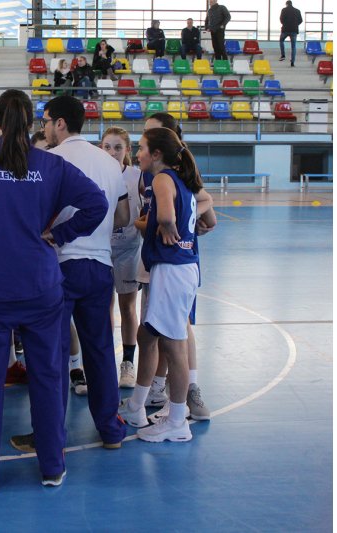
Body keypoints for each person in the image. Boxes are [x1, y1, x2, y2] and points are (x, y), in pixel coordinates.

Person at [0, 89, 108, 493]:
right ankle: (52, 467)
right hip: (40, 286)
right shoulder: (51, 165)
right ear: (33, 122)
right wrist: (60, 234)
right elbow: (97, 204)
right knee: (48, 377)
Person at [42, 96, 129, 450]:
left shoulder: (51, 160)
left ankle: (51, 434)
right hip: (100, 265)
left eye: (46, 120)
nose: (44, 127)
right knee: (100, 350)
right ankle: (110, 429)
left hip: (61, 263)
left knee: (54, 354)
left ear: (60, 123)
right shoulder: (108, 162)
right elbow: (122, 218)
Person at [119, 127, 216, 443]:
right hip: (180, 268)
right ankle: (137, 406)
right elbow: (208, 219)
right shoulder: (184, 180)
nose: (138, 154)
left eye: (143, 148)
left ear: (157, 154)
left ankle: (176, 421)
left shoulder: (162, 178)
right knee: (148, 332)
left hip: (173, 268)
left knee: (174, 347)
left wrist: (168, 226)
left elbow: (164, 214)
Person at [100, 127, 143, 389]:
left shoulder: (137, 177)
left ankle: (128, 362)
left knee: (128, 308)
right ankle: (104, 361)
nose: (112, 152)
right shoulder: (96, 173)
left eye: (118, 147)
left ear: (128, 150)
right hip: (102, 250)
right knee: (104, 308)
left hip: (128, 249)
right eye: (107, 147)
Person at [279, 1, 303, 66]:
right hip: (294, 30)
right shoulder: (297, 11)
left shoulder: (284, 10)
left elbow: (281, 19)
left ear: (286, 4)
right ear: (291, 4)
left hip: (285, 29)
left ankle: (283, 55)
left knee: (281, 41)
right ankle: (292, 62)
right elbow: (301, 20)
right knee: (293, 46)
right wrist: (295, 24)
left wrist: (285, 24)